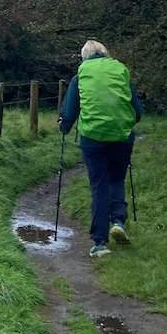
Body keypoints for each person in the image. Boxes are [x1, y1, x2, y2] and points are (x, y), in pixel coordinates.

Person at [59, 39, 144, 258]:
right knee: (116, 179)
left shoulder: (80, 77)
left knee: (99, 186)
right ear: (104, 53)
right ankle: (118, 221)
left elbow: (69, 111)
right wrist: (126, 125)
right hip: (122, 138)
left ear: (84, 57)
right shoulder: (120, 72)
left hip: (93, 139)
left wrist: (64, 127)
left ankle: (100, 243)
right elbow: (137, 110)